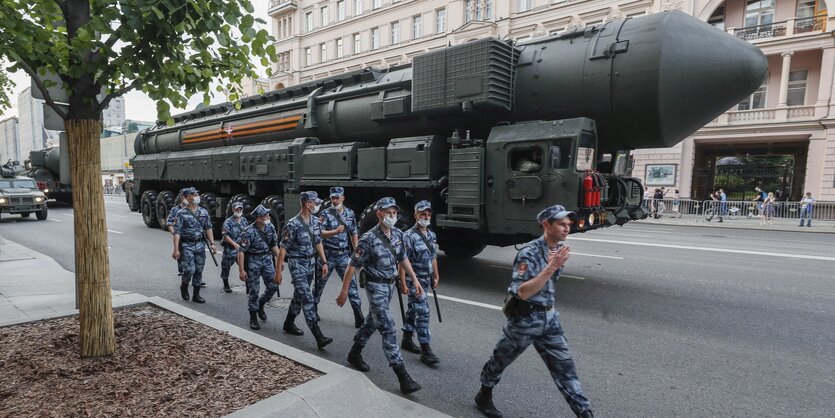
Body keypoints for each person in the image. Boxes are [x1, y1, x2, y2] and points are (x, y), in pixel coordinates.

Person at [475, 204, 593, 418]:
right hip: (525, 318)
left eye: (569, 224)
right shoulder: (529, 253)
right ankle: (484, 394)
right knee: (501, 359)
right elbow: (523, 291)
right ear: (546, 225)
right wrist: (550, 268)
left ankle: (585, 413)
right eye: (561, 224)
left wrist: (553, 267)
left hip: (549, 318)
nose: (567, 228)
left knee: (566, 370)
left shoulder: (557, 250)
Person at [336, 197, 424, 394]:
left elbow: (403, 258)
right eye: (388, 213)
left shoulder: (398, 234)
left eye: (394, 213)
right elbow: (352, 266)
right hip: (375, 287)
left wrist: (413, 280)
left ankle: (354, 353)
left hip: (390, 286)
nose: (392, 216)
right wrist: (343, 292)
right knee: (388, 328)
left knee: (372, 322)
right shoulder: (368, 239)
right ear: (379, 215)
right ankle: (403, 376)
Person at [277, 191, 333, 349]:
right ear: (308, 204)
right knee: (307, 299)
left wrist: (324, 261)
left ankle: (288, 323)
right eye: (316, 203)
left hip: (311, 263)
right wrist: (278, 272)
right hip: (297, 265)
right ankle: (319, 336)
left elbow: (318, 242)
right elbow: (283, 249)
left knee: (299, 296)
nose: (318, 205)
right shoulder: (292, 224)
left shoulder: (315, 222)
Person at [399, 200, 441, 366]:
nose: (426, 217)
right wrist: (403, 282)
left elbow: (433, 256)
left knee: (413, 308)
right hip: (413, 280)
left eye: (428, 214)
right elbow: (403, 260)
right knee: (423, 312)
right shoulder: (408, 236)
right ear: (415, 215)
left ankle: (407, 338)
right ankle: (426, 349)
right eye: (422, 214)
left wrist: (436, 275)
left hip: (425, 279)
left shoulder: (431, 235)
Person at [316, 186, 363, 328]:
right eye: (332, 198)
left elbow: (354, 232)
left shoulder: (349, 214)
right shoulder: (325, 213)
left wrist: (356, 250)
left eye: (337, 198)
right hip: (328, 254)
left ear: (343, 198)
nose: (335, 200)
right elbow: (320, 233)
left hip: (344, 255)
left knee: (352, 286)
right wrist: (334, 232)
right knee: (319, 285)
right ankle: (312, 309)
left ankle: (358, 314)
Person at [237, 205, 281, 330]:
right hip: (253, 261)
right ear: (258, 219)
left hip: (267, 259)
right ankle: (253, 316)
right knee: (254, 291)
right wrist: (241, 270)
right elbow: (241, 251)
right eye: (265, 216)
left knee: (273, 286)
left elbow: (273, 244)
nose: (268, 217)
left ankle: (261, 304)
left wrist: (280, 260)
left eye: (268, 215)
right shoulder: (248, 231)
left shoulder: (270, 227)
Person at [172, 188, 217, 304]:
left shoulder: (203, 212)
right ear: (188, 198)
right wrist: (176, 249)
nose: (197, 195)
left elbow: (208, 228)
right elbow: (177, 233)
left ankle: (196, 295)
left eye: (197, 193)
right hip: (187, 245)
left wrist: (212, 243)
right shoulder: (181, 213)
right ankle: (184, 285)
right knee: (190, 269)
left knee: (199, 270)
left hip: (200, 244)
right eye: (193, 194)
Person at [220, 202, 248, 293]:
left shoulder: (244, 221)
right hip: (231, 248)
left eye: (240, 209)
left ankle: (248, 285)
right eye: (236, 209)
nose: (238, 210)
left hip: (242, 248)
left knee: (246, 266)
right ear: (233, 209)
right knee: (226, 266)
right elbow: (226, 236)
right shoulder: (228, 222)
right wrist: (234, 244)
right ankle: (226, 284)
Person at [165, 189, 189, 280]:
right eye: (184, 196)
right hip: (181, 238)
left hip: (191, 238)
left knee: (194, 259)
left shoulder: (194, 209)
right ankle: (183, 273)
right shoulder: (175, 210)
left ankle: (197, 277)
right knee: (182, 257)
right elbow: (169, 223)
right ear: (181, 197)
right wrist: (175, 234)